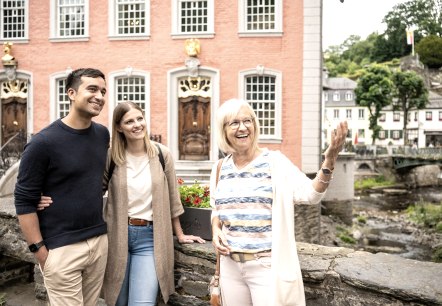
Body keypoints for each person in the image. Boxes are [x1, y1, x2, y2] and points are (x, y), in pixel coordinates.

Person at [210, 98, 348, 306]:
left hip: (265, 267)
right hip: (230, 268)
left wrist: (329, 162)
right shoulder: (220, 168)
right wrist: (215, 230)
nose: (242, 127)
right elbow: (216, 209)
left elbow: (311, 194)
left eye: (247, 120)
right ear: (224, 130)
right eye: (234, 123)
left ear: (255, 125)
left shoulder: (275, 162)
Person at [14, 68, 109, 305]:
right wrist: (41, 253)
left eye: (103, 91)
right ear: (71, 93)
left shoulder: (102, 134)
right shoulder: (43, 143)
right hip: (61, 249)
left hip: (98, 242)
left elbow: (94, 181)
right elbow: (24, 202)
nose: (100, 96)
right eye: (92, 89)